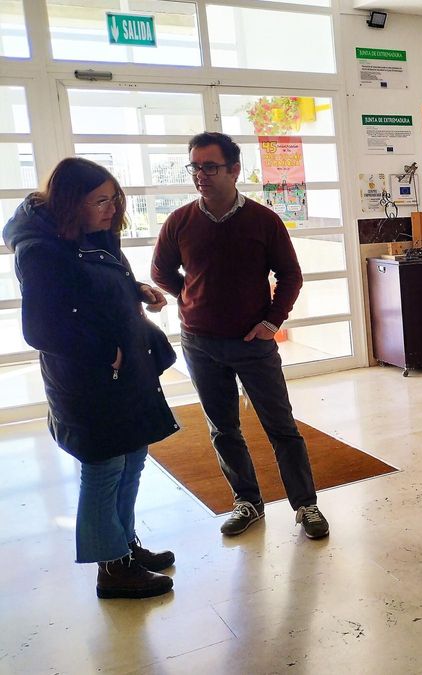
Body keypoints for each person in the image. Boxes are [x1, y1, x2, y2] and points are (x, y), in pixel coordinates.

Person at [3, 158, 179, 599]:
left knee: (133, 459)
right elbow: (42, 328)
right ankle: (112, 569)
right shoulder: (41, 249)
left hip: (123, 371)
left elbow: (94, 284)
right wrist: (108, 354)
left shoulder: (92, 231)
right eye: (100, 200)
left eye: (114, 198)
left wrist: (135, 289)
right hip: (88, 379)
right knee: (104, 469)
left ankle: (123, 545)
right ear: (69, 202)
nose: (110, 208)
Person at [151, 132, 329, 539]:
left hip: (254, 344)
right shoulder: (180, 220)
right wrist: (189, 297)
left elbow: (290, 276)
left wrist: (271, 322)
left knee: (281, 426)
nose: (200, 175)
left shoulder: (263, 220)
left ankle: (306, 505)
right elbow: (161, 271)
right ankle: (247, 502)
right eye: (194, 166)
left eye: (209, 166)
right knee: (223, 427)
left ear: (234, 170)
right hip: (200, 343)